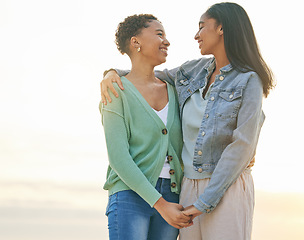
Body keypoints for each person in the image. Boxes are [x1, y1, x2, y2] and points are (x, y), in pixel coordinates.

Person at [100, 3, 275, 240]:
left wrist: (205, 201)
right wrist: (111, 72)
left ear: (222, 29)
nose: (196, 35)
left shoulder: (248, 80)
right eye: (159, 34)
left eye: (202, 27)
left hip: (217, 187)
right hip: (182, 189)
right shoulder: (192, 72)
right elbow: (144, 75)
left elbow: (243, 144)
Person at [99, 14, 192, 240]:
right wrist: (160, 204)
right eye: (159, 34)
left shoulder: (175, 90)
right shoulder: (115, 91)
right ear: (135, 42)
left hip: (172, 194)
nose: (166, 42)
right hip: (129, 196)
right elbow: (118, 158)